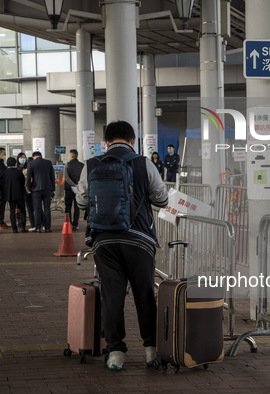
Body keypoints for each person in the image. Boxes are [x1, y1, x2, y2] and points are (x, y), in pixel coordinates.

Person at [76, 120, 168, 371]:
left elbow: (82, 202)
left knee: (112, 297)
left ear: (105, 143)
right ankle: (151, 350)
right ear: (133, 141)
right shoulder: (143, 163)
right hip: (139, 240)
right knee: (144, 294)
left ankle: (116, 352)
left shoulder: (92, 164)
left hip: (104, 241)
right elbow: (161, 198)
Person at [26, 151, 55, 233]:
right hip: (47, 188)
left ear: (33, 156)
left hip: (36, 189)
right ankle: (48, 228)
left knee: (37, 209)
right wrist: (52, 189)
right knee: (47, 209)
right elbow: (52, 176)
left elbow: (28, 178)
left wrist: (29, 187)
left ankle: (38, 227)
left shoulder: (31, 164)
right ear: (41, 156)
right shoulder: (48, 163)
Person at [3, 157, 27, 233]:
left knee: (12, 211)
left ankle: (14, 228)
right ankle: (23, 227)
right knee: (23, 210)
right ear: (15, 163)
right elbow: (23, 182)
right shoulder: (19, 172)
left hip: (10, 194)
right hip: (20, 194)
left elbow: (0, 182)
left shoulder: (5, 172)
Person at [63, 149, 85, 231]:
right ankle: (76, 224)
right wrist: (78, 185)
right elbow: (83, 177)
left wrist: (73, 185)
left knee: (68, 206)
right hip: (79, 189)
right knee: (77, 207)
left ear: (71, 156)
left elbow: (66, 177)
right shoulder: (82, 165)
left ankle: (68, 223)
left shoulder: (67, 165)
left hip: (69, 189)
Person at [17, 153, 35, 230]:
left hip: (27, 190)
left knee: (30, 207)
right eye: (21, 157)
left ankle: (33, 223)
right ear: (18, 158)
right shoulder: (16, 168)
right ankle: (20, 222)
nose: (22, 159)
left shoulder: (27, 168)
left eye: (24, 158)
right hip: (19, 190)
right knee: (19, 208)